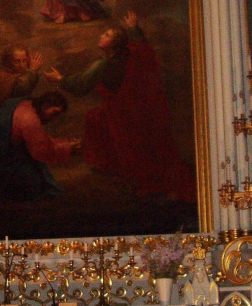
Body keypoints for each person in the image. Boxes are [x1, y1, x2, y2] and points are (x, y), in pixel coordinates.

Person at [46, 11, 195, 202]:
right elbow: (144, 49)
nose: (101, 36)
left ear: (115, 44)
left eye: (107, 35)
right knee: (96, 117)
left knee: (99, 121)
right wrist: (134, 29)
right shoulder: (131, 52)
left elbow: (80, 84)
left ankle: (116, 168)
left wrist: (60, 79)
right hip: (141, 108)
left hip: (123, 112)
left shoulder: (104, 64)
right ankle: (111, 164)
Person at [0, 91, 80, 201]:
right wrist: (68, 147)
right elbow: (41, 150)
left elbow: (40, 139)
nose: (54, 118)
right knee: (35, 183)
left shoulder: (27, 104)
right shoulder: (29, 118)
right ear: (45, 105)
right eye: (54, 113)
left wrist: (65, 144)